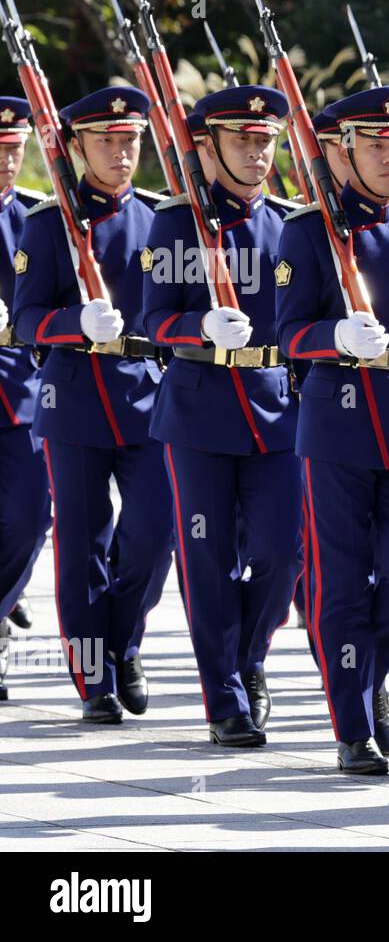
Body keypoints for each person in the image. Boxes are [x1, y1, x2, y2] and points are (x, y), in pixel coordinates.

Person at [275, 85, 389, 775]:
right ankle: (351, 722)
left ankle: (365, 673)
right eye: (378, 146)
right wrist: (334, 335)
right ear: (345, 151)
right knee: (341, 580)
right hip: (338, 426)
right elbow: (290, 333)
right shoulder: (309, 229)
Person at [11, 86, 174, 723]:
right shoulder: (47, 223)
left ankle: (125, 641)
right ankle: (92, 678)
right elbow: (27, 320)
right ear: (77, 147)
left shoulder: (160, 220)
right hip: (75, 398)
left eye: (130, 140)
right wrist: (75, 321)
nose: (121, 153)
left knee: (154, 536)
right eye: (106, 141)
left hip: (143, 396)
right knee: (80, 544)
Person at [142, 85, 298, 747]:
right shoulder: (174, 223)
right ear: (208, 146)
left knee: (281, 553)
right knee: (206, 558)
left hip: (274, 409)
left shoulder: (290, 223)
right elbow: (153, 321)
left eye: (265, 141)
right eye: (243, 140)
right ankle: (224, 697)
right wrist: (199, 325)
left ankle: (253, 654)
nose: (258, 153)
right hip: (201, 409)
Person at [0, 96, 52, 694]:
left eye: (15, 150)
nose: (8, 161)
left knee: (28, 519)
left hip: (20, 394)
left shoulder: (36, 221)